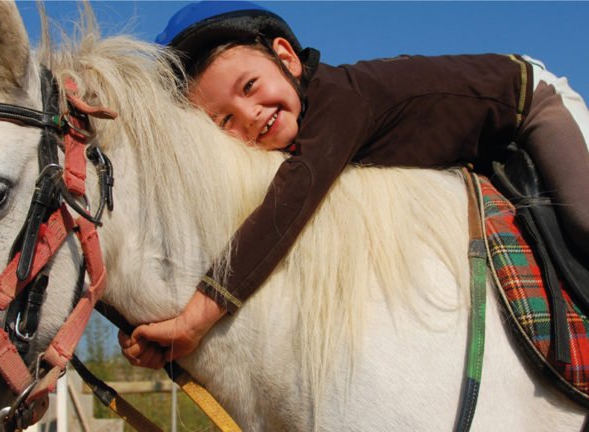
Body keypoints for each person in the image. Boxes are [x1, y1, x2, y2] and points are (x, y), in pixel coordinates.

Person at [119, 1, 589, 369]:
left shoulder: (340, 102)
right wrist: (150, 315)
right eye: (225, 121)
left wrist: (196, 319)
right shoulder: (303, 130)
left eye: (248, 87)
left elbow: (284, 210)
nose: (251, 116)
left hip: (531, 104)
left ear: (287, 57)